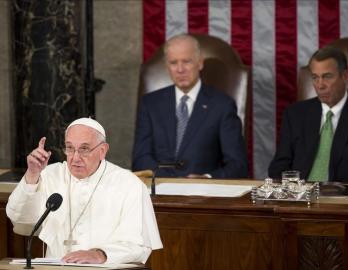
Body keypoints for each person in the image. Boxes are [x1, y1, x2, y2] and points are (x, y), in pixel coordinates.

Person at [6, 117, 162, 264]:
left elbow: (139, 244)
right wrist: (32, 174)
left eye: (84, 149)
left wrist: (100, 254)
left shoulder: (129, 185)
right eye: (70, 148)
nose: (75, 157)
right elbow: (21, 221)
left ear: (103, 150)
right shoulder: (49, 175)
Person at [132, 34, 248, 178]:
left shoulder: (222, 105)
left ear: (200, 63)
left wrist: (207, 179)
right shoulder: (150, 104)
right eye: (173, 63)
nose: (180, 69)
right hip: (159, 190)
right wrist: (171, 182)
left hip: (203, 195)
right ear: (167, 66)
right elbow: (140, 159)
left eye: (186, 61)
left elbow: (238, 165)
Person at [268, 46, 348, 182]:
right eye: (315, 77)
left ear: (345, 76)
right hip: (300, 196)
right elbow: (278, 167)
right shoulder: (295, 114)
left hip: (343, 198)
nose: (320, 85)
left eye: (327, 76)